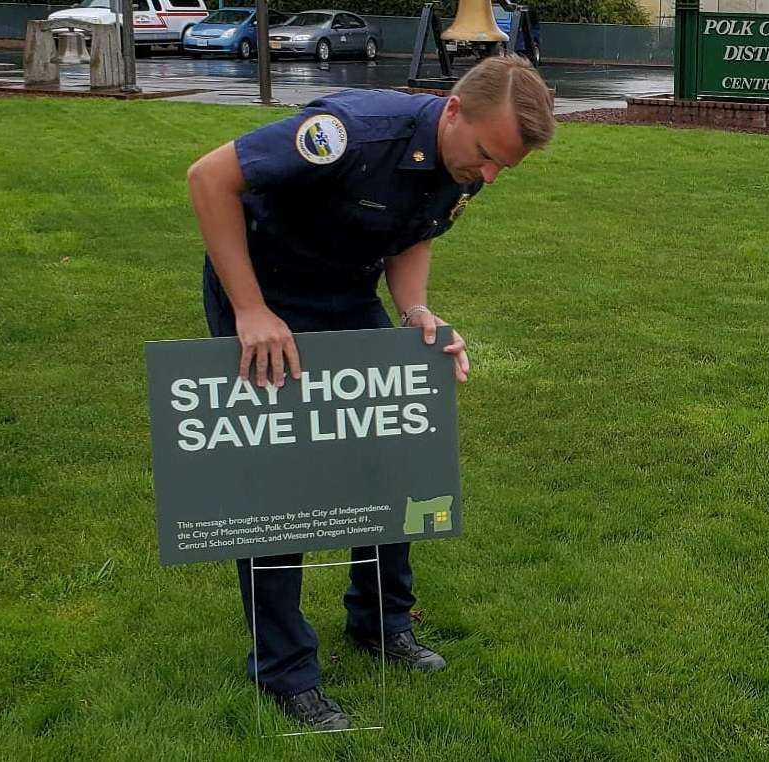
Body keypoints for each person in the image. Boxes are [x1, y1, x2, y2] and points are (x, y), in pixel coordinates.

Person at [187, 55, 555, 731]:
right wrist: (249, 311)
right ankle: (285, 671)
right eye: (485, 155)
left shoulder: (469, 157)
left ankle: (380, 623)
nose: (490, 175)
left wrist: (415, 310)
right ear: (451, 109)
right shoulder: (348, 133)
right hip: (264, 297)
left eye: (505, 165)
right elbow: (209, 178)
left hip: (345, 296)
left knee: (387, 463)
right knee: (278, 487)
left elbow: (414, 229)